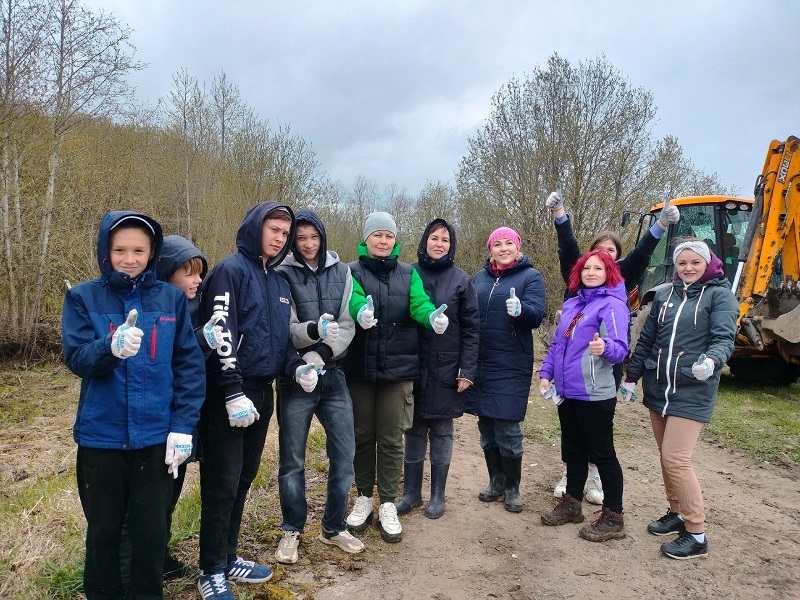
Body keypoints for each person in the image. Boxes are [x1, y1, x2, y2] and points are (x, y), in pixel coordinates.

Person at [62, 211, 205, 600]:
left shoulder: (171, 299)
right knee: (105, 533)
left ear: (152, 252)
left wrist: (182, 425)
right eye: (120, 249)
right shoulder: (81, 297)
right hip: (101, 440)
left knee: (151, 533)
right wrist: (109, 348)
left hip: (155, 441)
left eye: (139, 250)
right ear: (105, 251)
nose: (130, 258)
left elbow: (188, 368)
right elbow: (76, 358)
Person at [197, 202, 320, 599]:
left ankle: (229, 556)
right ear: (255, 228)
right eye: (274, 229)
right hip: (228, 394)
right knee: (222, 483)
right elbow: (221, 334)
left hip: (262, 393)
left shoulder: (278, 283)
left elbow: (280, 342)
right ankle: (210, 569)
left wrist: (296, 366)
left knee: (244, 477)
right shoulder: (229, 272)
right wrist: (232, 390)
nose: (280, 238)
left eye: (285, 233)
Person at [545, 188, 681, 504]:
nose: (604, 257)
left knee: (597, 430)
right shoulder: (578, 278)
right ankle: (571, 476)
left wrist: (660, 224)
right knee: (572, 431)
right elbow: (568, 247)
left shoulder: (621, 282)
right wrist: (560, 215)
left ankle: (595, 481)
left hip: (604, 362)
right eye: (598, 252)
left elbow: (644, 250)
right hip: (570, 365)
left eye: (612, 252)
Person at [621, 239, 738, 559]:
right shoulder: (665, 295)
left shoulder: (721, 296)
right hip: (659, 387)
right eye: (682, 263)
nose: (687, 268)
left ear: (707, 263)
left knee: (676, 458)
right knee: (665, 455)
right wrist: (631, 377)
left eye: (694, 263)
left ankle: (697, 534)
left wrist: (712, 361)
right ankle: (677, 512)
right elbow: (646, 338)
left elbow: (724, 338)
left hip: (692, 388)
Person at [119, 235, 224, 585]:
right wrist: (201, 341)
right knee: (145, 505)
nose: (198, 280)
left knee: (168, 497)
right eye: (189, 273)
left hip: (183, 420)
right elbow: (161, 360)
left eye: (200, 274)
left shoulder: (193, 306)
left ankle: (159, 558)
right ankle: (133, 570)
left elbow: (190, 368)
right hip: (152, 424)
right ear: (166, 273)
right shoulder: (151, 310)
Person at [344, 211, 449, 543]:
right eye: (377, 235)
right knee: (362, 436)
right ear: (366, 239)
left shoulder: (409, 273)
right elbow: (351, 300)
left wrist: (431, 316)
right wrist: (358, 310)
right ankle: (363, 497)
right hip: (359, 369)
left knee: (390, 439)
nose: (383, 241)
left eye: (388, 236)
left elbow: (418, 303)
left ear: (395, 240)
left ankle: (388, 502)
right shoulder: (351, 271)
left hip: (398, 371)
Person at [273, 209, 365, 564]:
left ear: (322, 237)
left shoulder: (343, 272)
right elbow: (287, 326)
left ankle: (333, 526)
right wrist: (312, 337)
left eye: (314, 237)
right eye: (301, 238)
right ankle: (292, 529)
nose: (308, 244)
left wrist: (322, 354)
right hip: (295, 378)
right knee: (292, 461)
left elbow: (348, 323)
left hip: (334, 375)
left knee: (344, 455)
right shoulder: (283, 274)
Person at [538, 249, 630, 541]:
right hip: (567, 393)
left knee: (602, 454)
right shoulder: (571, 304)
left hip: (595, 395)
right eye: (586, 268)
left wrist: (605, 348)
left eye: (598, 269)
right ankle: (572, 504)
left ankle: (614, 516)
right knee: (574, 451)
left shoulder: (612, 306)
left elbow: (620, 348)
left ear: (608, 273)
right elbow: (556, 346)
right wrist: (545, 375)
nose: (591, 273)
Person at [394, 218, 480, 519]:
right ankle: (411, 494)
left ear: (451, 245)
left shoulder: (461, 280)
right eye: (434, 238)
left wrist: (466, 370)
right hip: (412, 366)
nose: (439, 244)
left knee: (442, 431)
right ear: (424, 241)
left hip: (447, 368)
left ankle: (438, 496)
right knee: (413, 429)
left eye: (445, 239)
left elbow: (472, 329)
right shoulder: (407, 274)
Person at [465, 227, 546, 513]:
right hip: (481, 362)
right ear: (490, 249)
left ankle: (512, 487)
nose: (502, 248)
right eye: (497, 244)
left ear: (517, 247)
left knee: (508, 427)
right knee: (486, 424)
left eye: (508, 243)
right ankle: (496, 481)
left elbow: (537, 316)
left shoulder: (531, 277)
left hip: (511, 363)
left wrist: (520, 310)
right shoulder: (479, 278)